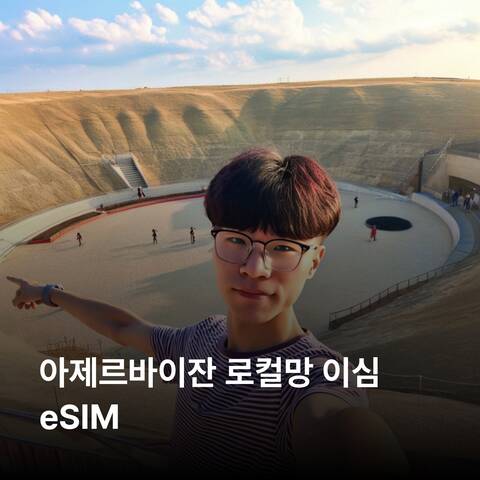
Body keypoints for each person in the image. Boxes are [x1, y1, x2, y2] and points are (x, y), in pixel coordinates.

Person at [7, 147, 408, 475]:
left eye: (284, 248)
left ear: (314, 262)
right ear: (213, 245)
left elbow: (344, 430)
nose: (254, 268)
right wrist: (46, 292)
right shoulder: (201, 339)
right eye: (236, 240)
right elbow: (124, 327)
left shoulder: (316, 384)